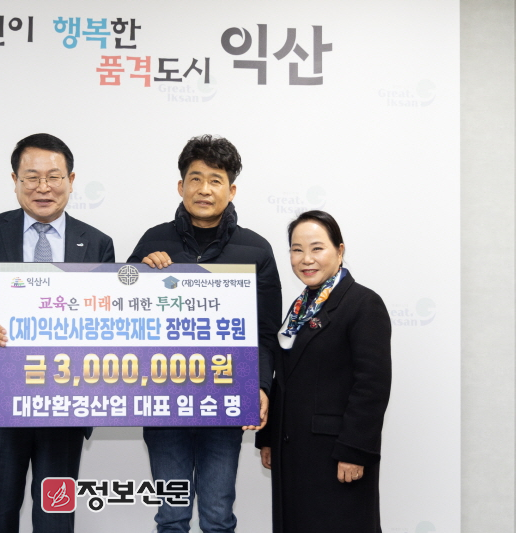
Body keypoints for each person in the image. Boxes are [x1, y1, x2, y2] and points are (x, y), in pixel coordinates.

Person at [0, 133, 115, 533]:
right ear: (15, 180)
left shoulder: (97, 243)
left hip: (66, 402)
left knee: (56, 518)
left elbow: (109, 316)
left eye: (54, 177)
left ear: (71, 180)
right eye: (32, 177)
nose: (43, 187)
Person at [127, 134, 282, 533]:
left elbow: (266, 333)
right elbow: (121, 314)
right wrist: (140, 272)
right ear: (181, 186)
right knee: (171, 515)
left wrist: (261, 386)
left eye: (216, 180)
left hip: (224, 401)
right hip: (162, 401)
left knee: (217, 515)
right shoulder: (153, 240)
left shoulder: (256, 250)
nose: (204, 189)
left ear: (231, 190)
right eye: (195, 179)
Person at [255, 210, 392, 533]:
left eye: (317, 248)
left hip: (336, 455)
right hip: (293, 450)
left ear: (339, 251)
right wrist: (269, 437)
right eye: (297, 249)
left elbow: (371, 386)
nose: (306, 259)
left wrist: (354, 451)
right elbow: (284, 378)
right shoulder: (300, 308)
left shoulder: (363, 304)